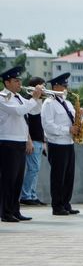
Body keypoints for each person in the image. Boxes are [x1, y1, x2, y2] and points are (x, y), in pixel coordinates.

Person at [1, 66, 43, 223]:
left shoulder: (18, 97)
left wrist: (38, 98)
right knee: (8, 179)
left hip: (19, 141)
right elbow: (19, 111)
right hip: (7, 142)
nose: (20, 83)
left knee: (18, 179)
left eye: (20, 80)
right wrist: (34, 98)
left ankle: (15, 210)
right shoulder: (3, 97)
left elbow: (34, 111)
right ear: (7, 82)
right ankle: (5, 212)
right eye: (16, 80)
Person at [40, 73, 81, 216]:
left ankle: (66, 203)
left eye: (66, 85)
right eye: (64, 86)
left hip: (69, 142)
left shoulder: (67, 103)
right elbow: (48, 126)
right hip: (57, 144)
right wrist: (67, 129)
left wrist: (80, 117)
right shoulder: (49, 103)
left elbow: (72, 120)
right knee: (58, 177)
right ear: (56, 86)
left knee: (69, 176)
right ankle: (57, 206)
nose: (66, 88)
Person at [20, 76, 46, 207]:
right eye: (42, 87)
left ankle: (32, 195)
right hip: (33, 140)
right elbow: (26, 123)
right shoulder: (30, 102)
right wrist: (28, 140)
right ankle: (26, 195)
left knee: (35, 170)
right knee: (33, 169)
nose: (45, 90)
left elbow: (41, 124)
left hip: (39, 140)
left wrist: (44, 142)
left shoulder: (41, 103)